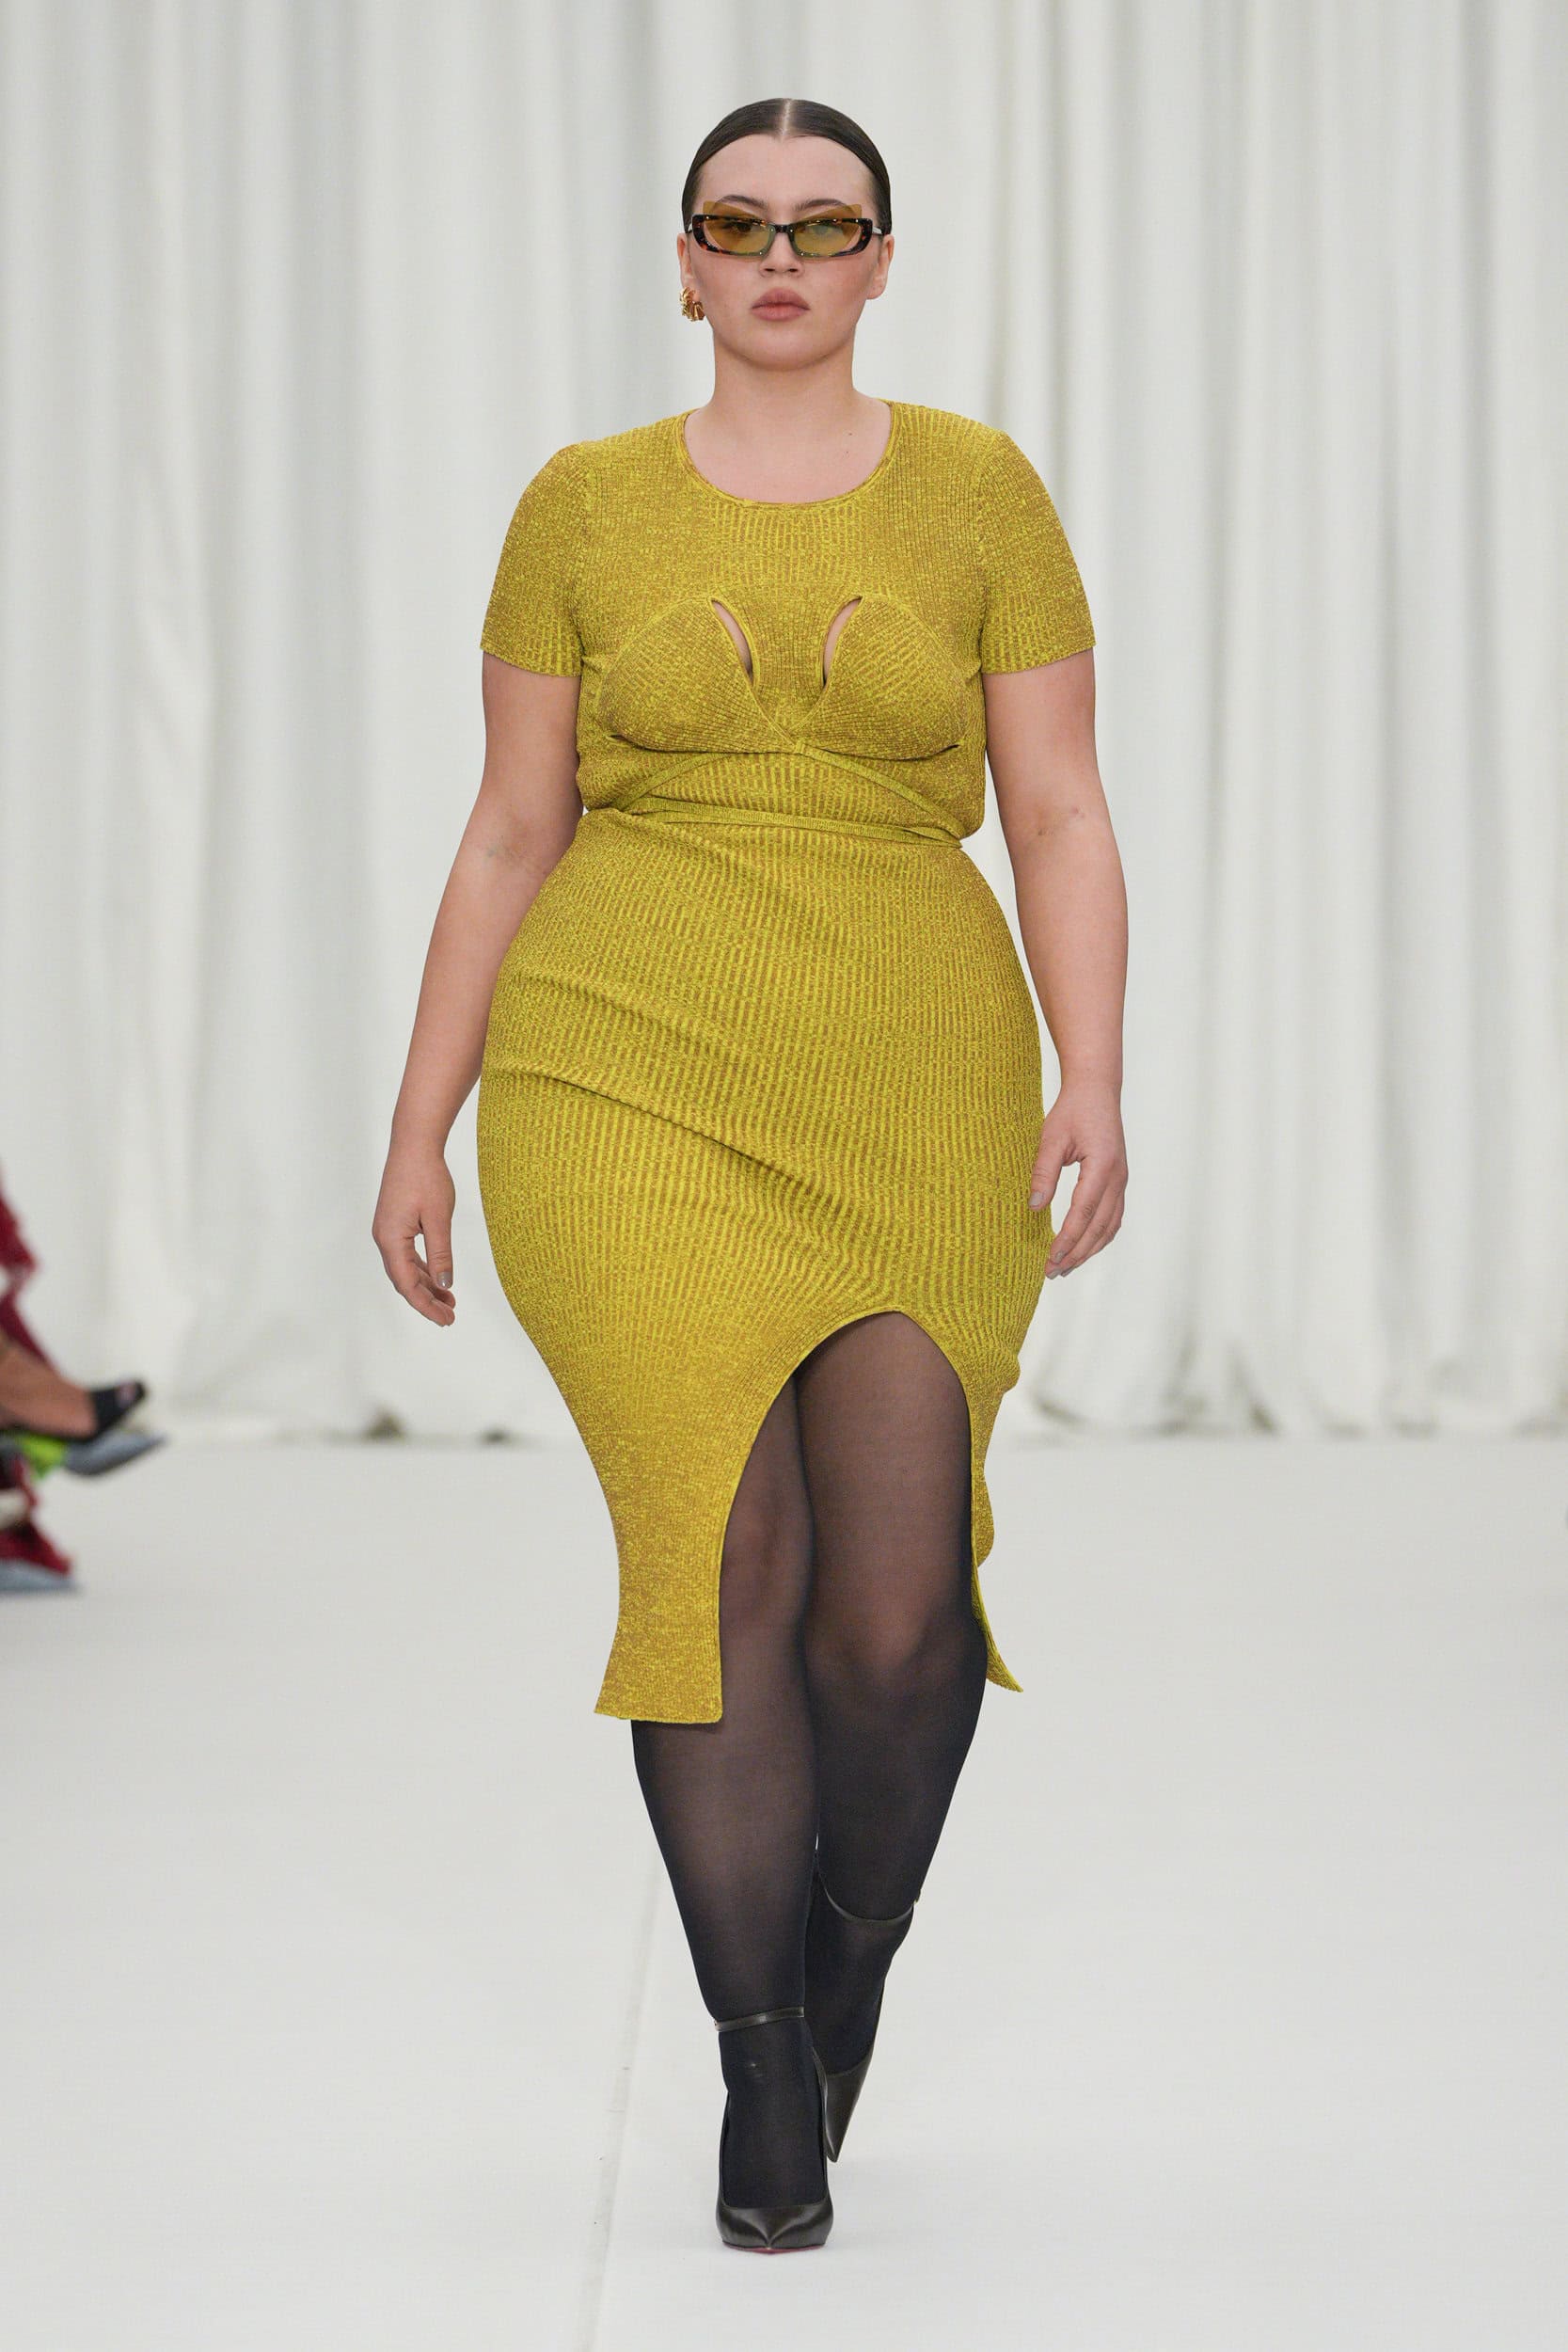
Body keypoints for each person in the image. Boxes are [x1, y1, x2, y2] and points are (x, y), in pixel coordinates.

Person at [372, 95, 1128, 2252]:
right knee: (721, 1553)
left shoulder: (980, 490)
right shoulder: (581, 504)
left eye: (824, 223)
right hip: (620, 1068)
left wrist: (1095, 1067)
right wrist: (422, 1117)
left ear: (881, 258)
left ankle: (846, 1955)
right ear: (685, 259)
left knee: (898, 1618)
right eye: (740, 221)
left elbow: (1059, 807)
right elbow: (511, 824)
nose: (780, 255)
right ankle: (761, 2051)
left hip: (911, 1078)